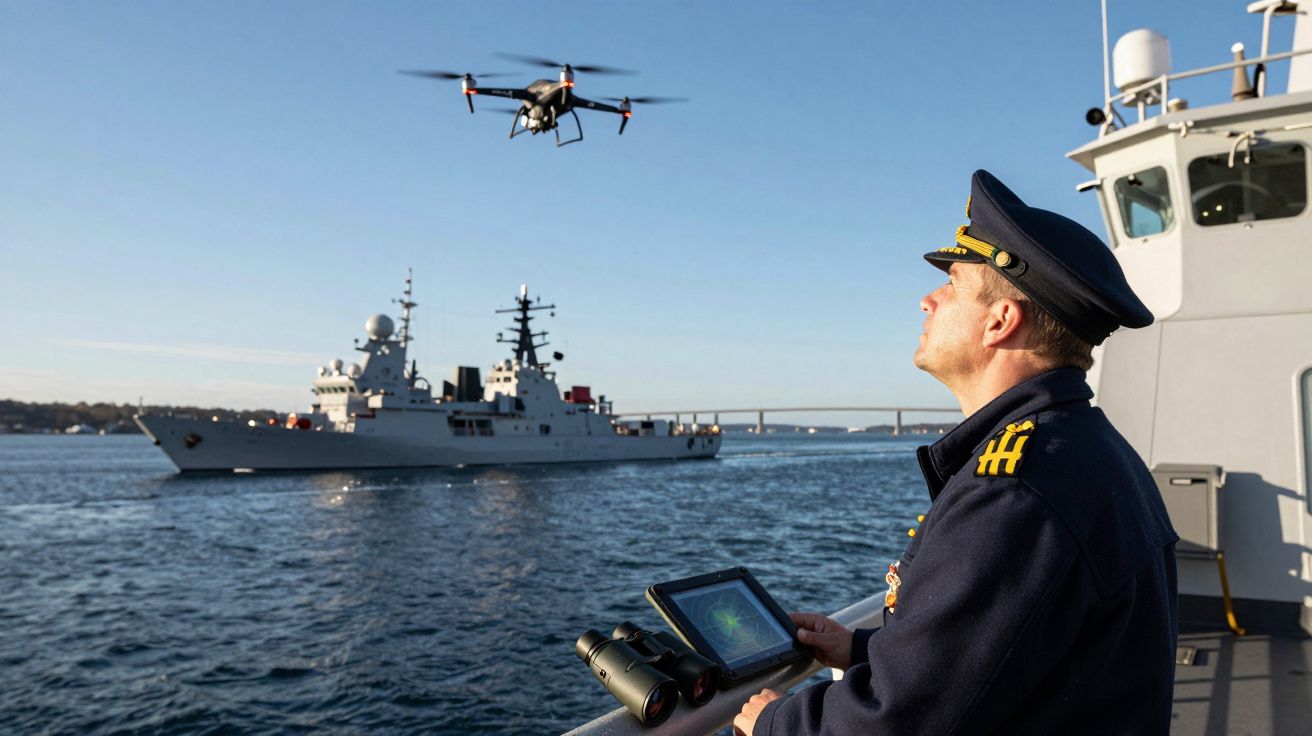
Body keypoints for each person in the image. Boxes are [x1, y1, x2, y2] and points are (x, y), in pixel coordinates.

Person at [734, 170, 1179, 735]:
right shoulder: (1084, 450)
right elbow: (1010, 643)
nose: (928, 298)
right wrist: (861, 648)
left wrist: (775, 723)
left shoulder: (1017, 490)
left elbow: (902, 723)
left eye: (952, 284)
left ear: (999, 321)